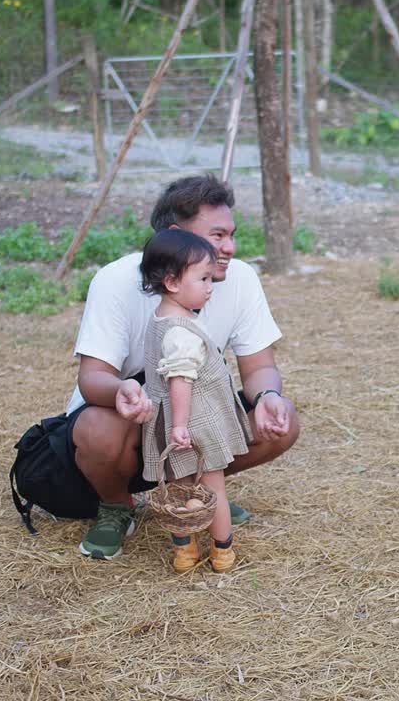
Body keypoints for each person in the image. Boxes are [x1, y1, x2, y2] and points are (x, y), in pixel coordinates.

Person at [19, 174, 299, 560]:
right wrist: (120, 391)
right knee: (100, 429)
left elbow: (258, 368)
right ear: (174, 234)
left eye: (232, 235)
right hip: (132, 416)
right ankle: (116, 506)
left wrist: (268, 395)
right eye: (216, 236)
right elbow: (92, 378)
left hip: (194, 412)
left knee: (280, 425)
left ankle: (200, 493)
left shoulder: (242, 280)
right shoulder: (116, 280)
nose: (230, 247)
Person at [138, 229, 251, 572]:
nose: (209, 286)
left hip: (167, 424)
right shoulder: (180, 334)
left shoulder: (161, 318)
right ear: (172, 282)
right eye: (203, 278)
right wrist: (182, 427)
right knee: (211, 488)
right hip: (192, 424)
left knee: (179, 491)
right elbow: (180, 381)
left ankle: (184, 552)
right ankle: (222, 551)